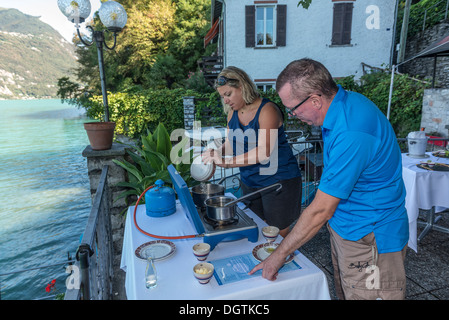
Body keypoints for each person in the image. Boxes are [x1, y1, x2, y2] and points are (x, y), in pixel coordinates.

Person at [249, 58, 409, 300]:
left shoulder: (351, 130)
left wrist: (278, 255)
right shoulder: (340, 107)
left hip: (372, 235)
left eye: (292, 108)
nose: (292, 115)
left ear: (315, 100)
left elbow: (320, 210)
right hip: (348, 227)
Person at [201, 66, 302, 237]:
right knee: (255, 227)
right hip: (250, 181)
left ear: (242, 87)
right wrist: (216, 151)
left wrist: (226, 163)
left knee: (277, 234)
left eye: (228, 94)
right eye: (222, 96)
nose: (225, 100)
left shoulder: (267, 110)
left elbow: (264, 152)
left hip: (278, 180)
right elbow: (231, 143)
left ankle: (286, 260)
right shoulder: (232, 114)